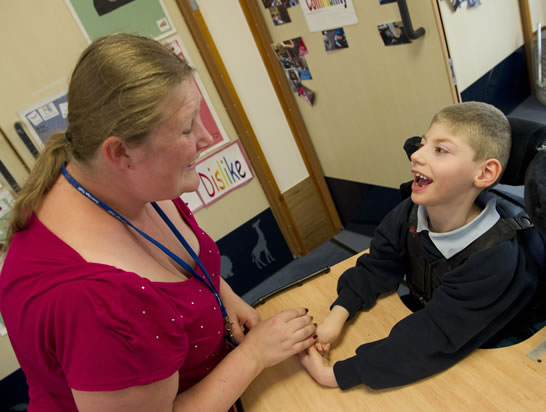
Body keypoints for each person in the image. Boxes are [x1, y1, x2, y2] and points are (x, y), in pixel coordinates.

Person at [0, 33, 317, 412]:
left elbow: (177, 263)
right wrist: (255, 356)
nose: (206, 137)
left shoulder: (129, 184)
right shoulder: (95, 300)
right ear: (120, 153)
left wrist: (223, 296)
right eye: (186, 129)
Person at [299, 102, 542, 390]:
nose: (415, 154)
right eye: (424, 143)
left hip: (492, 344)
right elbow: (378, 265)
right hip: (443, 320)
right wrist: (337, 317)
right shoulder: (410, 213)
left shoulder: (494, 257)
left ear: (485, 173)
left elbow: (435, 335)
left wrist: (337, 375)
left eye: (441, 149)